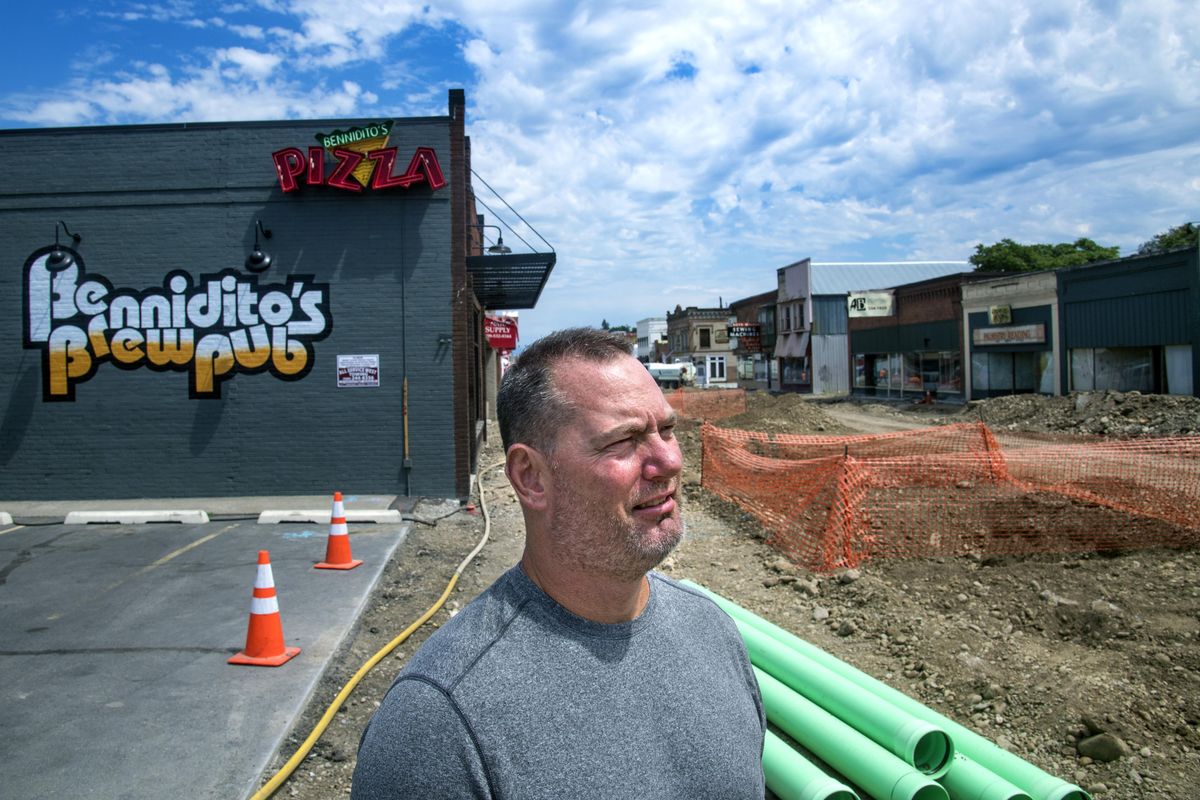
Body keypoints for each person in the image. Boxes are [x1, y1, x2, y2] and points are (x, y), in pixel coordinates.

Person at [352, 327, 765, 799]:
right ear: (531, 477)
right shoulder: (439, 723)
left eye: (667, 430)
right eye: (624, 441)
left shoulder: (713, 632)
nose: (668, 461)